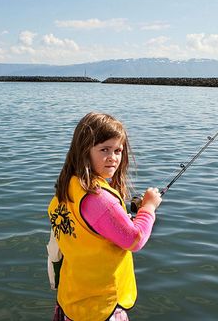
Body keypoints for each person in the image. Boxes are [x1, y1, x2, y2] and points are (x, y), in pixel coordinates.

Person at [46, 112, 162, 321]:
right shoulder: (100, 200)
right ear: (84, 151)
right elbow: (134, 239)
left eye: (118, 150)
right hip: (101, 306)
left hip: (72, 299)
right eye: (104, 150)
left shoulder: (67, 189)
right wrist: (149, 208)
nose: (113, 157)